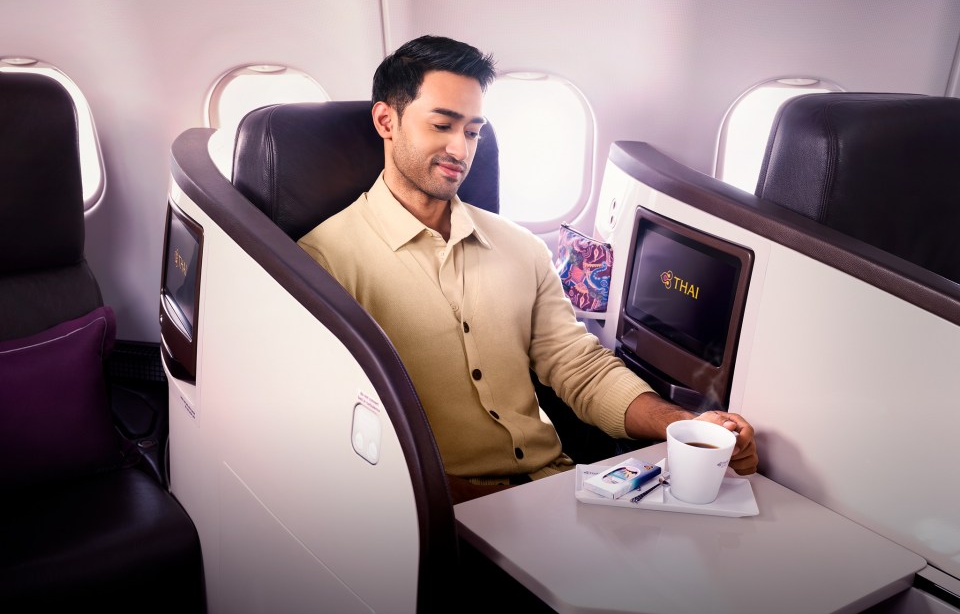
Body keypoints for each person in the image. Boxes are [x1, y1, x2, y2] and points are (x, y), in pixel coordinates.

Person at [298, 35, 758, 503]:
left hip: (555, 486)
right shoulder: (325, 262)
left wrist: (685, 426)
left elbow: (580, 369)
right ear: (386, 121)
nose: (461, 149)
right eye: (442, 125)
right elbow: (346, 435)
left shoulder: (521, 248)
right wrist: (459, 510)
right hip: (437, 510)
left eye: (474, 131)